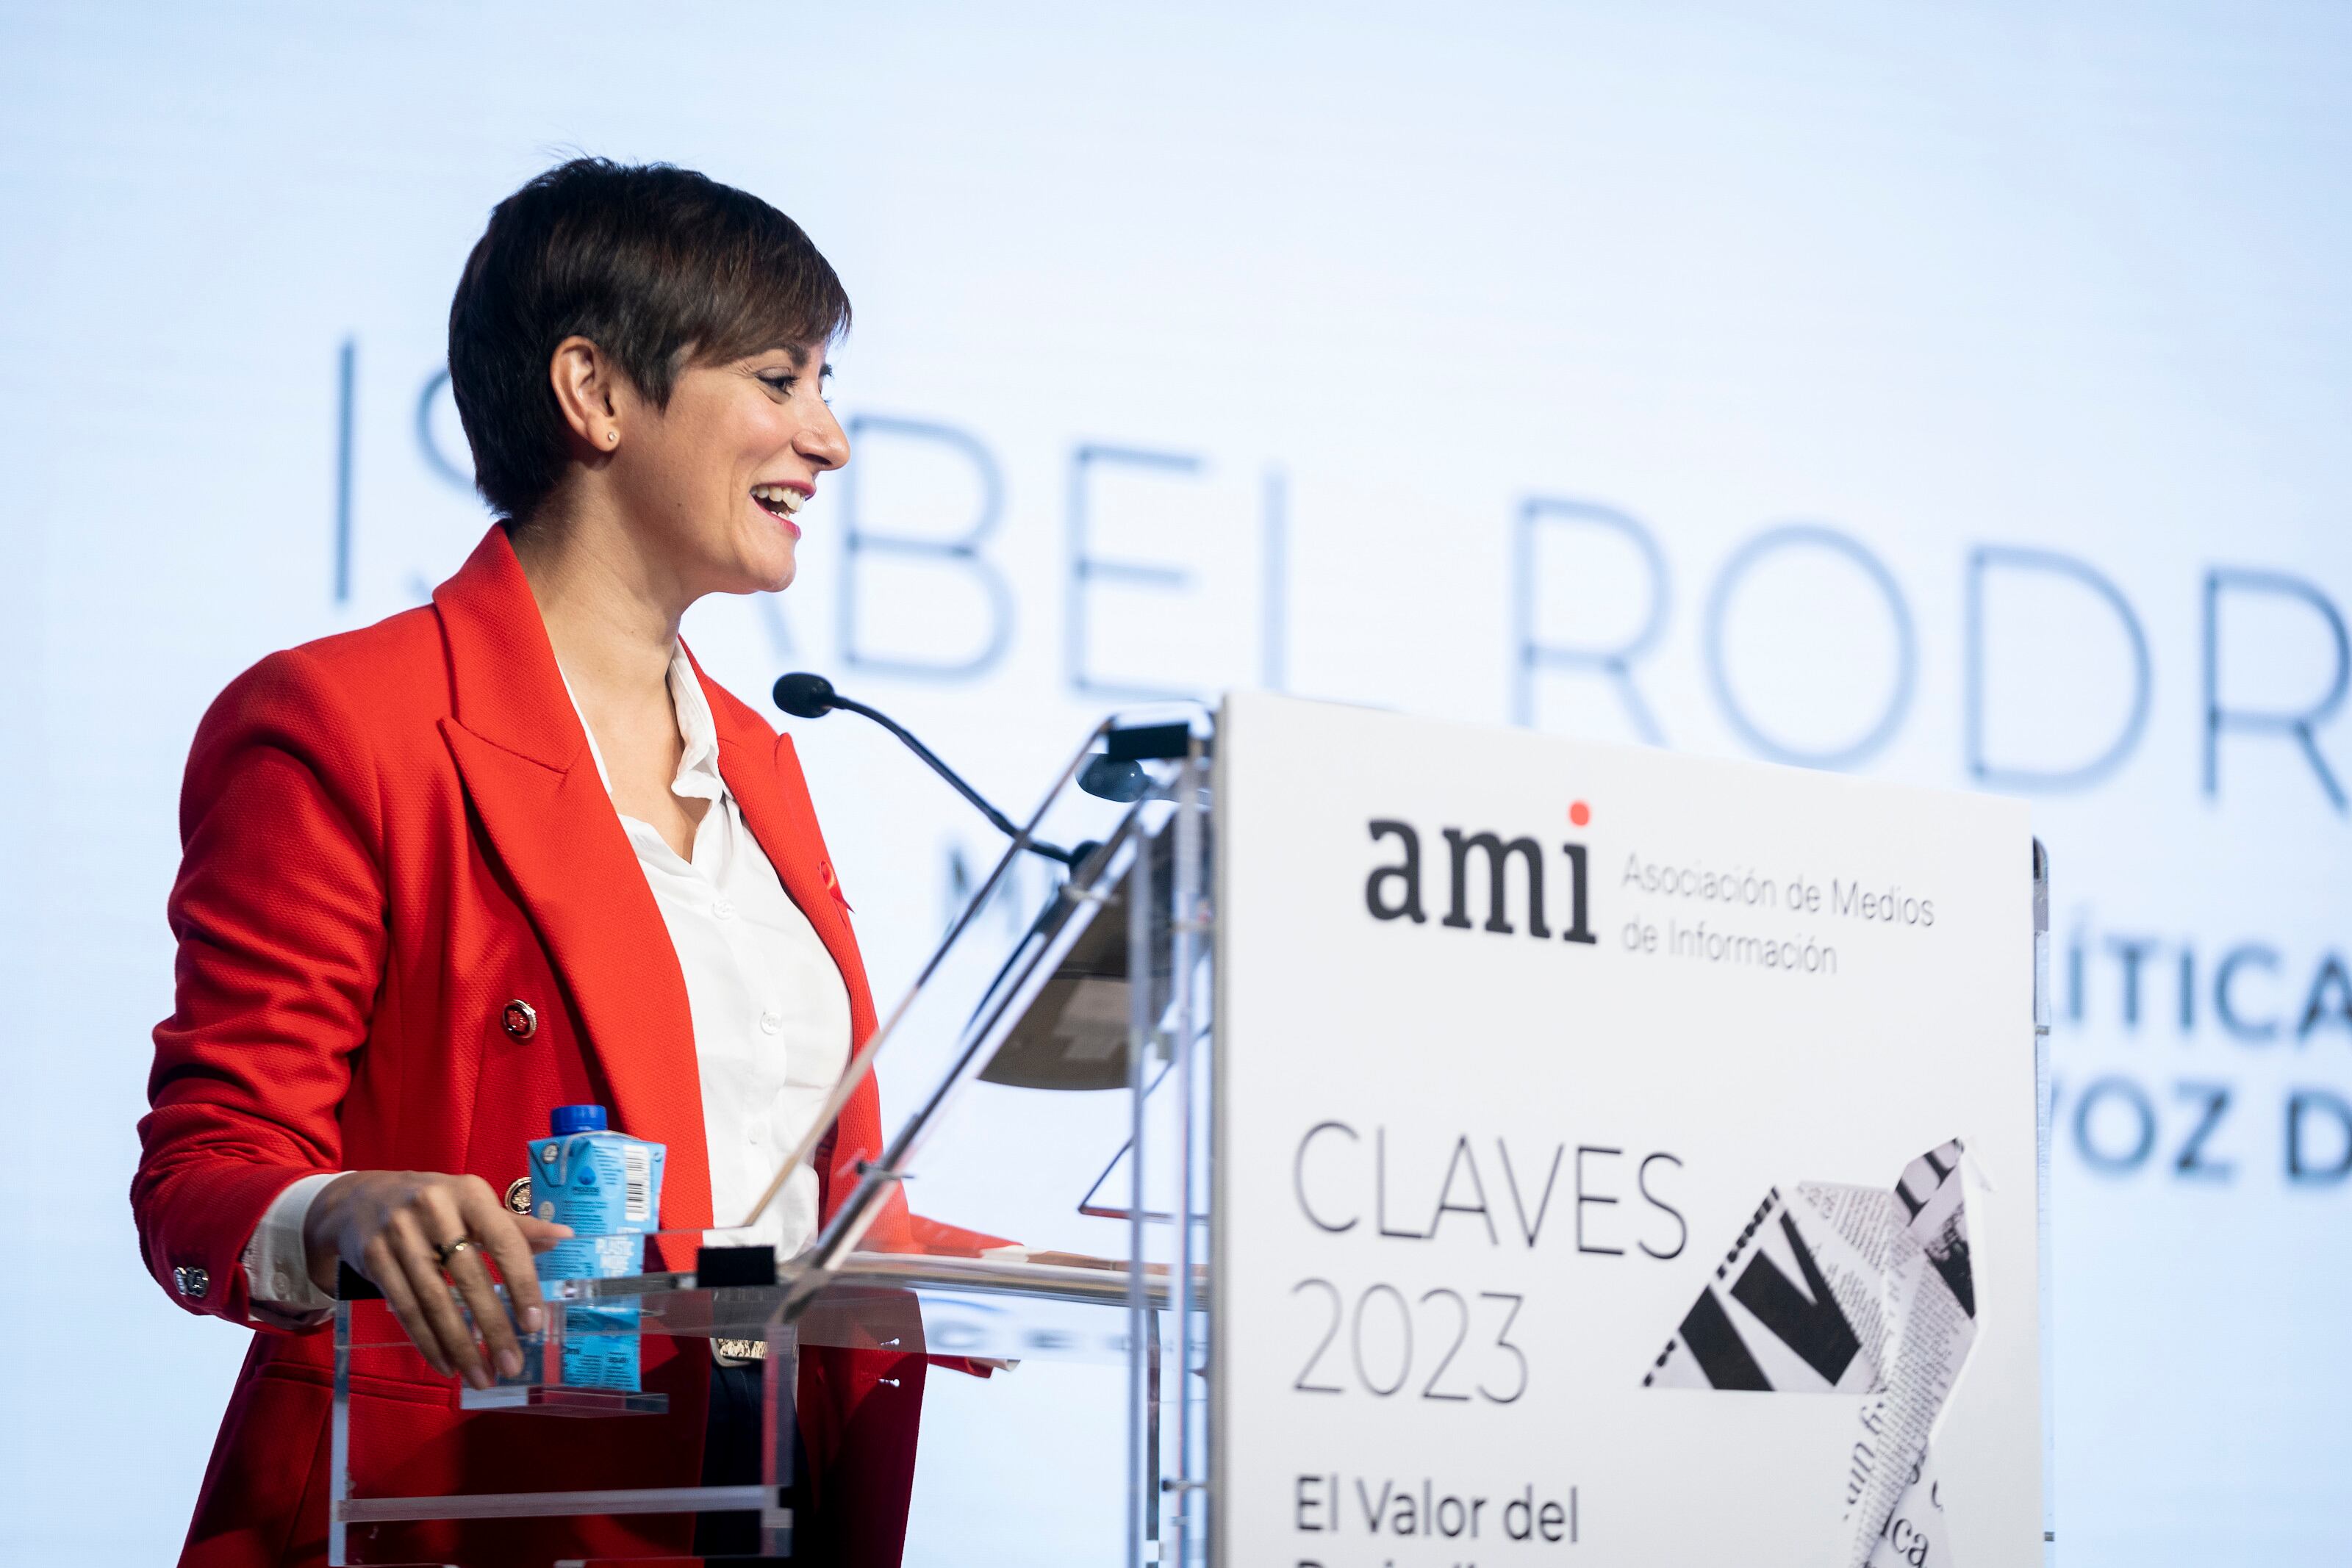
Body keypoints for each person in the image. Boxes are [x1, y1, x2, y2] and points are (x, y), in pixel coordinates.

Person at [134, 158, 968, 1567]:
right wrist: (344, 1208)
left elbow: (787, 1198)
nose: (828, 439)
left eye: (824, 384)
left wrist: (1081, 1276)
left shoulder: (764, 765)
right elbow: (205, 1169)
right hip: (465, 1505)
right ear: (594, 391)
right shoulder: (348, 724)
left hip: (758, 1494)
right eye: (780, 379)